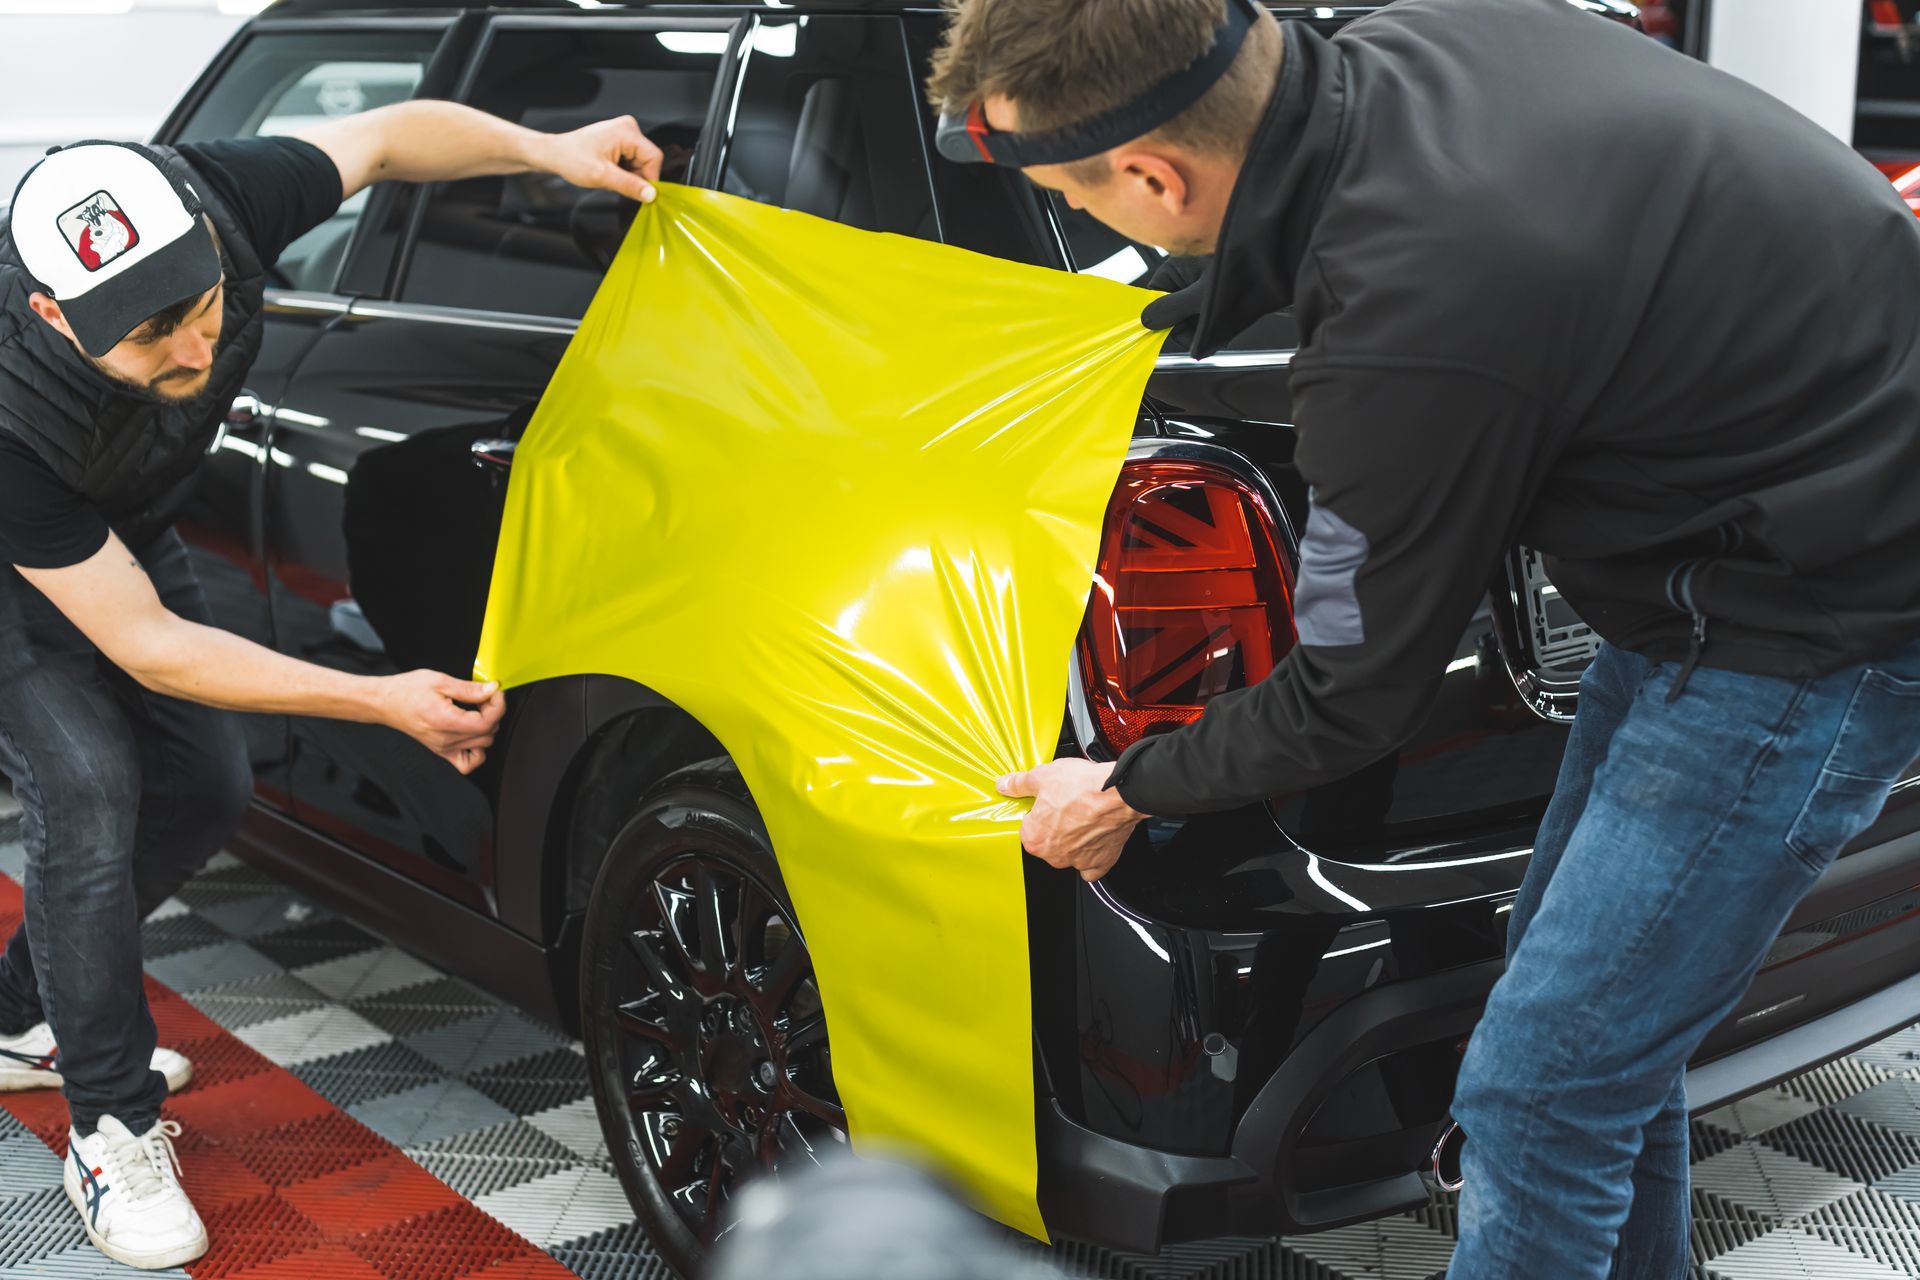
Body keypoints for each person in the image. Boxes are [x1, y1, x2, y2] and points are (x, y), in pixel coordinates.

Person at [930, 0, 1920, 1276]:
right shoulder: (1414, 46)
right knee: (1599, 1045)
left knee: (1537, 1092)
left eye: (1078, 200)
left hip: (1805, 627)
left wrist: (1125, 786)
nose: (1084, 223)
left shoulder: (1413, 313)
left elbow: (1352, 693)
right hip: (1726, 547)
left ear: (1152, 174)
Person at [0, 103, 664, 1269]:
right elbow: (146, 645)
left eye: (203, 306)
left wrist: (547, 149)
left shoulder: (220, 191)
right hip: (29, 555)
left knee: (206, 787)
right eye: (154, 338)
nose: (199, 353)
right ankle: (110, 1122)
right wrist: (381, 699)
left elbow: (395, 132)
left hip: (122, 524)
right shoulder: (8, 416)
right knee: (88, 785)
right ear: (56, 317)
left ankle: (15, 1007)